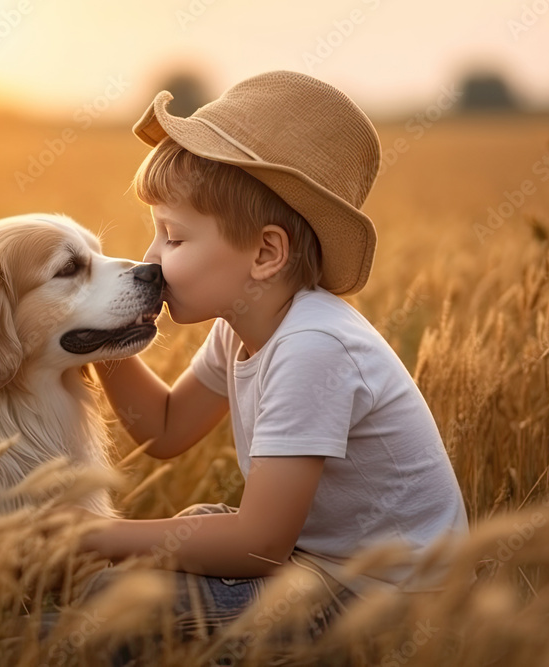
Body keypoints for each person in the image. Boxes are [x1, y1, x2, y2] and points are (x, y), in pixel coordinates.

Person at [76, 70, 469, 647]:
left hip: (388, 611)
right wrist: (101, 331)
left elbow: (259, 543)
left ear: (265, 253)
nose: (151, 259)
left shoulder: (314, 346)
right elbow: (161, 429)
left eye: (174, 238)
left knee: (114, 605)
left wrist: (95, 536)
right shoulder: (243, 327)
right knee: (193, 528)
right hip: (321, 573)